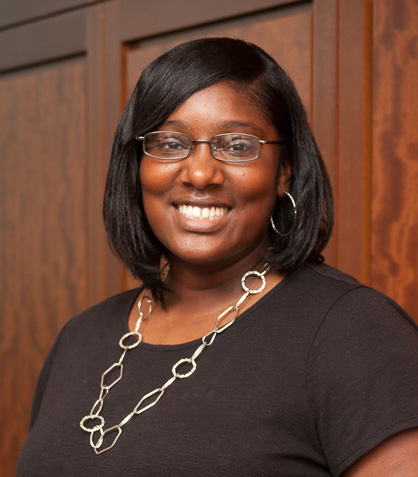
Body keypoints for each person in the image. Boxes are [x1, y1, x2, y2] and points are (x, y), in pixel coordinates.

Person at [17, 37, 418, 476]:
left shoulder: (355, 333)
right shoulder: (79, 337)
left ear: (284, 170)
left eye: (238, 145)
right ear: (136, 165)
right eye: (170, 143)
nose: (201, 174)